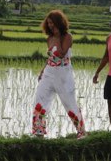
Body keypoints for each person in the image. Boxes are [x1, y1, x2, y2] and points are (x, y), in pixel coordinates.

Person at [32, 10, 86, 138]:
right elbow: (51, 57)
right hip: (49, 73)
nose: (50, 25)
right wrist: (42, 70)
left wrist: (57, 37)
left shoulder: (67, 37)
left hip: (63, 75)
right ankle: (38, 131)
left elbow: (61, 54)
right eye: (49, 23)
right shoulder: (49, 38)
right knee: (40, 99)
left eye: (53, 23)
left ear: (59, 22)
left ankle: (81, 132)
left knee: (69, 103)